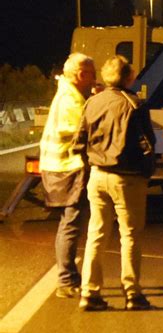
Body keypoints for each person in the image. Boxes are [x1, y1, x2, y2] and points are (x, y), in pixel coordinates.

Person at [72, 55, 156, 312]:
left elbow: (79, 141)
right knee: (129, 235)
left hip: (97, 176)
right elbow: (148, 144)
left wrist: (91, 163)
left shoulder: (92, 102)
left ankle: (90, 293)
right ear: (129, 76)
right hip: (127, 178)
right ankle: (132, 293)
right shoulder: (134, 104)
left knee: (96, 234)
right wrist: (146, 172)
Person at [39, 52, 96, 298]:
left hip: (62, 167)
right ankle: (66, 280)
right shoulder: (71, 102)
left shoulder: (71, 95)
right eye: (92, 75)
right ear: (81, 74)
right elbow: (83, 134)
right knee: (70, 224)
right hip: (66, 168)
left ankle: (69, 276)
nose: (95, 79)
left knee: (69, 223)